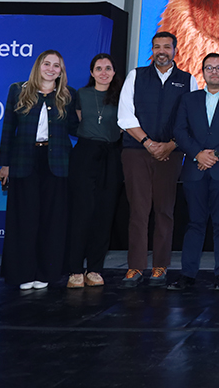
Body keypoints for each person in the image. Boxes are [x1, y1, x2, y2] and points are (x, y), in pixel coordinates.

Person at [117, 31, 198, 288]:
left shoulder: (188, 80)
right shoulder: (136, 76)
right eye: (157, 47)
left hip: (170, 153)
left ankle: (160, 266)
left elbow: (192, 121)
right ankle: (135, 267)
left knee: (165, 210)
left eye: (166, 46)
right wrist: (148, 143)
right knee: (138, 210)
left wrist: (171, 145)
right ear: (152, 50)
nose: (161, 51)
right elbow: (125, 116)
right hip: (136, 151)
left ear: (175, 50)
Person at [0, 50, 78, 289]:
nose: (51, 69)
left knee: (52, 220)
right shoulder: (18, 90)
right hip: (24, 161)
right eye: (47, 64)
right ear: (38, 66)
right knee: (25, 219)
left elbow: (75, 128)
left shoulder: (68, 95)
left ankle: (46, 273)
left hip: (57, 164)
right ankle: (23, 273)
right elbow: (8, 128)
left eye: (56, 66)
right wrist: (5, 164)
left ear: (61, 71)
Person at [168, 53, 219, 291]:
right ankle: (187, 274)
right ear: (202, 72)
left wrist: (216, 155)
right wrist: (198, 154)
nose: (214, 72)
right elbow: (179, 130)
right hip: (194, 170)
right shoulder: (188, 99)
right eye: (209, 68)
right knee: (195, 223)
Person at [66, 54, 124, 289]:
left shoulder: (121, 96)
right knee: (82, 213)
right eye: (99, 68)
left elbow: (124, 126)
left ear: (114, 72)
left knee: (104, 213)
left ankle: (95, 269)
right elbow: (76, 122)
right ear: (91, 72)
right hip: (85, 155)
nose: (103, 72)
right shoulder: (81, 94)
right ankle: (75, 269)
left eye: (108, 68)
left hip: (111, 156)